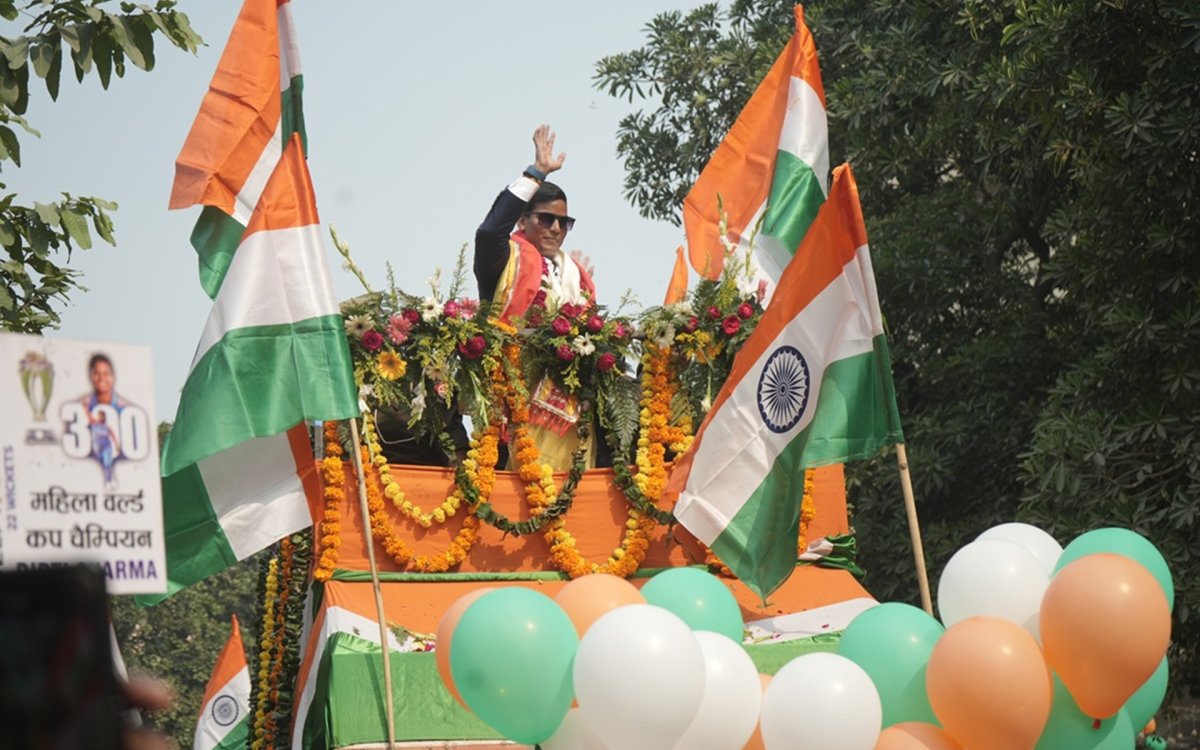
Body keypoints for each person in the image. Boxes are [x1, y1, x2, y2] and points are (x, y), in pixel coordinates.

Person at [475, 125, 607, 470]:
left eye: (564, 222)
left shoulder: (576, 276)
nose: (556, 229)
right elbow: (488, 232)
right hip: (513, 408)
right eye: (546, 219)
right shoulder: (505, 259)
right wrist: (535, 174)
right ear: (522, 220)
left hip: (570, 417)